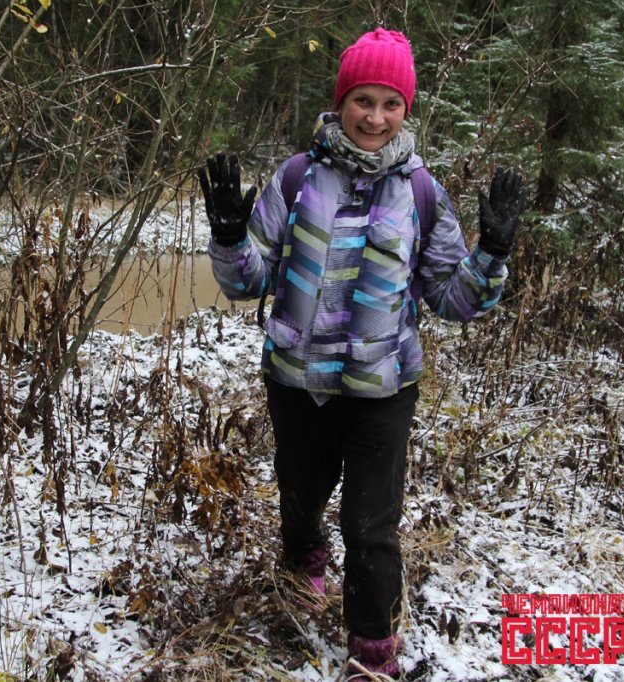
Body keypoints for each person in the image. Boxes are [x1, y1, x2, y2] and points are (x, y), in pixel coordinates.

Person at [198, 27, 525, 680]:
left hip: (383, 388)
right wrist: (231, 238)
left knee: (372, 526)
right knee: (301, 497)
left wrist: (490, 254)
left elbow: (452, 298)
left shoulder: (422, 193)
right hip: (298, 382)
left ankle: (373, 654)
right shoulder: (296, 178)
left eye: (390, 104)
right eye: (363, 101)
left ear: (406, 109)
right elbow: (248, 282)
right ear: (341, 101)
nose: (375, 118)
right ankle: (303, 563)